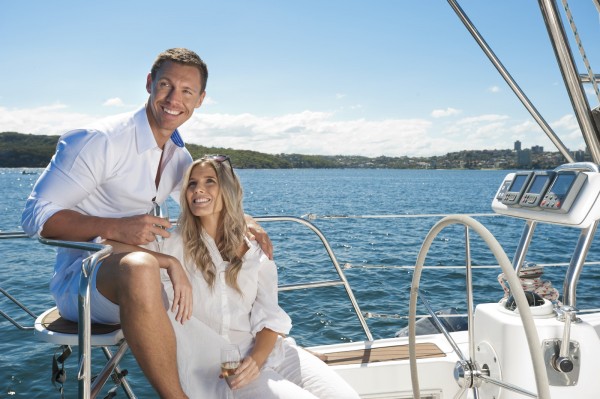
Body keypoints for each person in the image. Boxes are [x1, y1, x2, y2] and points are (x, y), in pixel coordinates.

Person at [20, 48, 271, 399]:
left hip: (146, 272)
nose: (174, 99)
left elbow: (203, 197)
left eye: (187, 91)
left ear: (199, 100)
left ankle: (234, 380)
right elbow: (35, 216)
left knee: (220, 269)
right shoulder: (99, 141)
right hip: (85, 281)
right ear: (150, 84)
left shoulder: (178, 156)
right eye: (166, 85)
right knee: (141, 266)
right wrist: (116, 227)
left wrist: (245, 220)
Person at [108, 155, 361, 398]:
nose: (198, 189)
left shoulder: (253, 247)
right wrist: (170, 263)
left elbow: (270, 317)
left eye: (210, 181)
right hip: (225, 366)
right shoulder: (171, 243)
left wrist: (256, 360)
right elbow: (109, 246)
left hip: (269, 353)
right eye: (192, 184)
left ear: (227, 190)